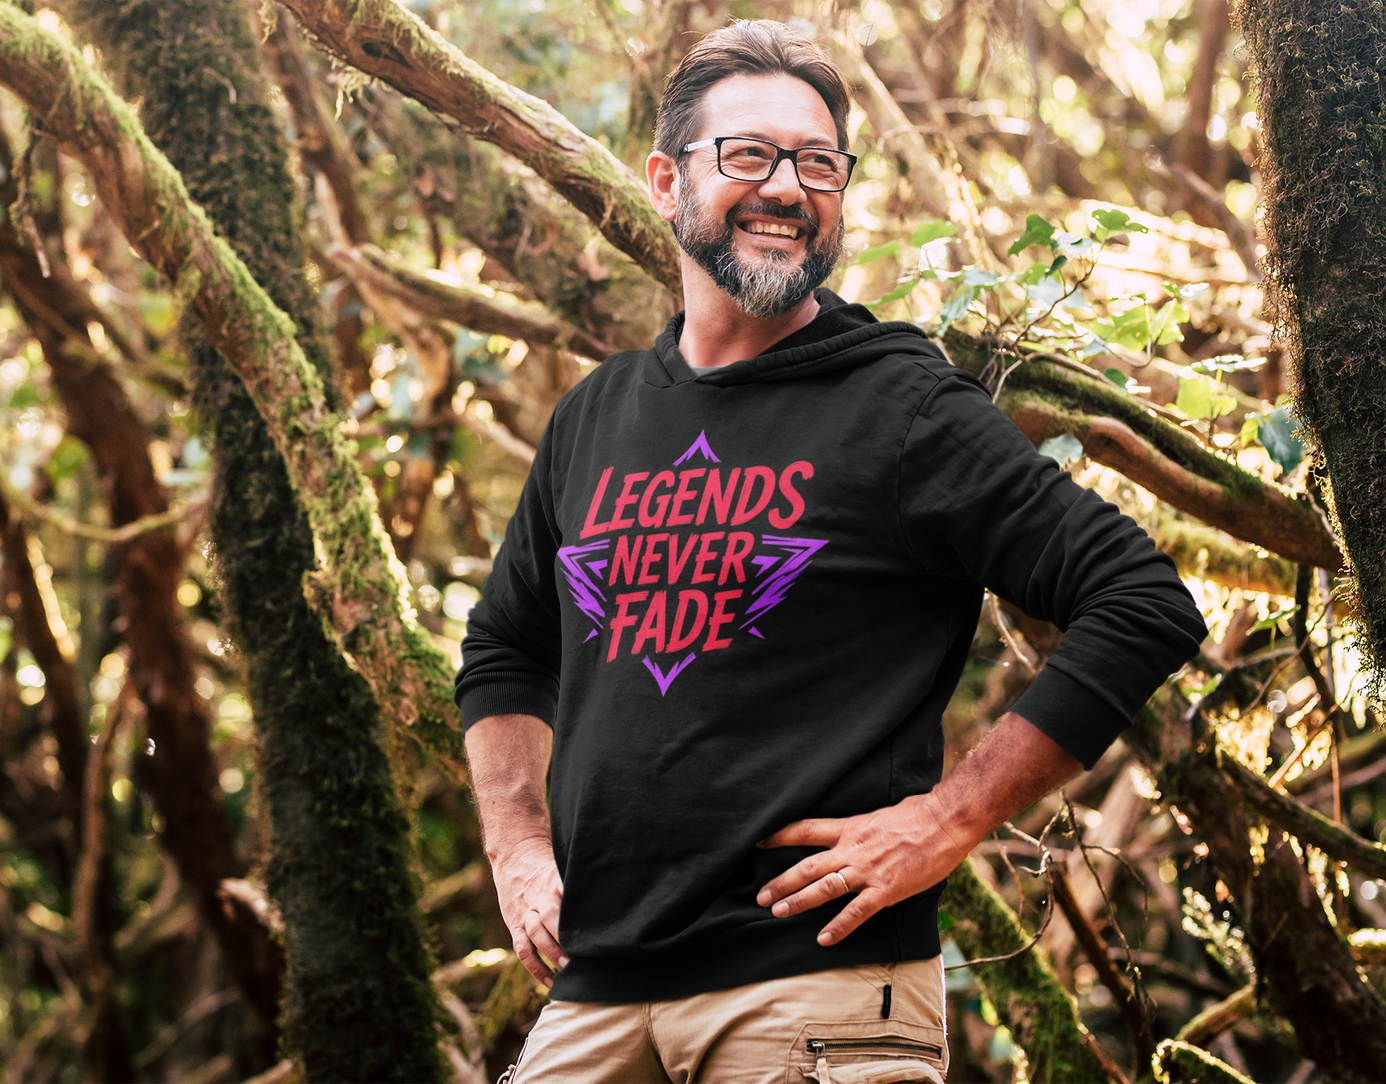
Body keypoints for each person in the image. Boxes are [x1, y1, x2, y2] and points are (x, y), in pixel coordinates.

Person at [455, 19, 1207, 1084]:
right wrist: (518, 850)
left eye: (817, 163)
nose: (787, 186)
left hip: (812, 999)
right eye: (749, 155)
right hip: (591, 992)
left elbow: (1136, 597)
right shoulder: (596, 415)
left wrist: (951, 818)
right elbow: (502, 648)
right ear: (667, 180)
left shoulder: (898, 402)